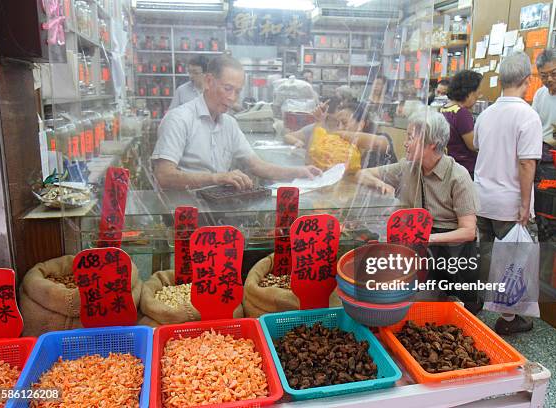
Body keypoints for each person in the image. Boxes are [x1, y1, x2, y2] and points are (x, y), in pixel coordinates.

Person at [355, 108, 481, 312]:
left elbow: (468, 231)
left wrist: (426, 238)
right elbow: (361, 174)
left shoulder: (458, 176)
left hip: (448, 252)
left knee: (440, 308)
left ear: (431, 144)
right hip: (419, 246)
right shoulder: (408, 167)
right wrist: (380, 184)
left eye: (410, 137)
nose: (405, 143)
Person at [152, 55, 321, 190]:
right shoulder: (179, 119)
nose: (232, 97)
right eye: (227, 89)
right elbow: (164, 175)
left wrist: (299, 172)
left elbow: (257, 165)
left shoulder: (229, 124)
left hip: (217, 209)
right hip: (184, 215)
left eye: (237, 92)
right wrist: (216, 178)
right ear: (209, 81)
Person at [473, 52, 542, 334]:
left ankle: (476, 303)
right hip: (510, 203)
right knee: (514, 262)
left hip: (482, 199)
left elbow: (478, 146)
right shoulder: (528, 116)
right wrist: (525, 204)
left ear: (501, 80)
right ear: (527, 80)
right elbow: (527, 163)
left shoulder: (486, 114)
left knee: (486, 255)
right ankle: (510, 319)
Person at [283, 100, 395, 169]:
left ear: (361, 124)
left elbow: (379, 143)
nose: (340, 127)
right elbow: (311, 162)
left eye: (344, 122)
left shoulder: (383, 138)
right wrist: (319, 123)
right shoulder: (341, 148)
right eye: (337, 123)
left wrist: (332, 133)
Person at [440, 70, 483, 177]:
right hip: (465, 169)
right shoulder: (461, 113)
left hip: (449, 166)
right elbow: (473, 145)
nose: (477, 98)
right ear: (468, 93)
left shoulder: (444, 109)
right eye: (476, 95)